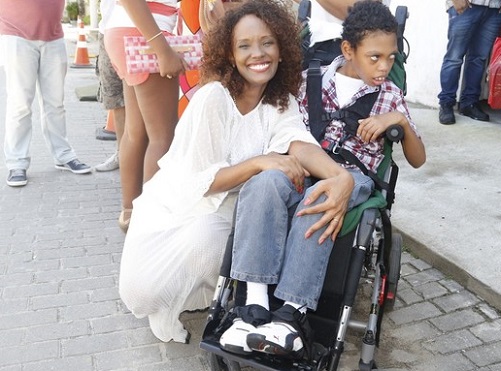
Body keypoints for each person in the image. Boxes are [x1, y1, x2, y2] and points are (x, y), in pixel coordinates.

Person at [118, 0, 355, 344]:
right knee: (217, 236)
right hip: (176, 218)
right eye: (244, 46)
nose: (257, 54)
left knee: (262, 203)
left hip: (220, 210)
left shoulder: (280, 99)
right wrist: (259, 162)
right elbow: (203, 182)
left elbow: (299, 143)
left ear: (282, 48)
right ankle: (236, 300)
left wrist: (340, 176)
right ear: (229, 55)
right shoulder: (213, 98)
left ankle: (256, 305)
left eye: (267, 43)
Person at [219, 0, 425, 358]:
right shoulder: (309, 81)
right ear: (348, 50)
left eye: (391, 58)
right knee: (263, 183)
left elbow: (418, 159)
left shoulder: (390, 96)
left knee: (321, 198)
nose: (384, 66)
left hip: (355, 177)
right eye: (375, 57)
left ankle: (291, 315)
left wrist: (400, 122)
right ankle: (252, 307)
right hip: (305, 165)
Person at [103, 0, 186, 231]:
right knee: (162, 136)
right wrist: (162, 48)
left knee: (136, 131)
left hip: (128, 30)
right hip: (146, 31)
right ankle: (151, 222)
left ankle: (130, 214)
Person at [0, 0, 91, 187]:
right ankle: (17, 163)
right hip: (16, 35)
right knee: (20, 104)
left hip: (53, 36)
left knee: (56, 103)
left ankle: (63, 155)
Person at [438, 0, 501, 125]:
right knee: (454, 58)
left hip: (494, 7)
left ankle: (469, 103)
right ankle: (446, 103)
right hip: (466, 5)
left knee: (479, 59)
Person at [95, 0, 125, 172]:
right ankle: (121, 154)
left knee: (144, 101)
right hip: (108, 30)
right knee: (115, 97)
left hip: (144, 29)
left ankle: (145, 156)